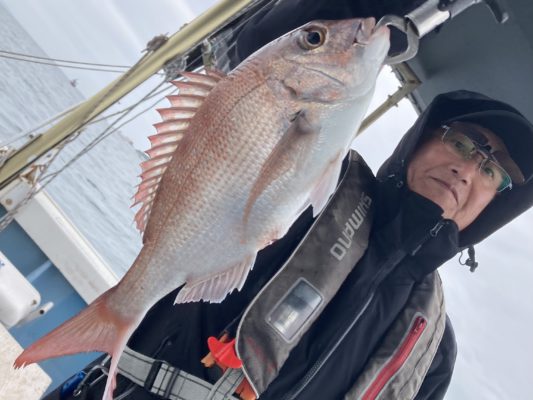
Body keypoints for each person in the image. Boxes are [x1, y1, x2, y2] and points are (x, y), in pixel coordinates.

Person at [45, 3, 533, 400]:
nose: (468, 170)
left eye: (492, 172)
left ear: (496, 203)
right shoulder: (322, 192)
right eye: (462, 143)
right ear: (420, 139)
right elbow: (269, 50)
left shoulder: (433, 352)